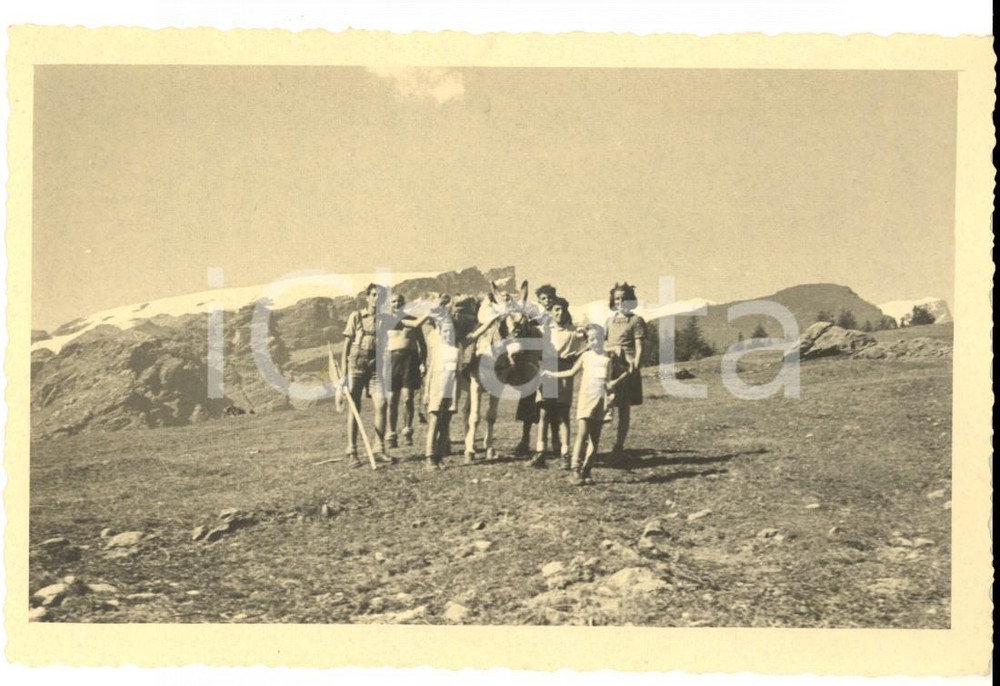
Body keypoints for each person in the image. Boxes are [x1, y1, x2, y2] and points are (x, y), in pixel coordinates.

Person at [541, 324, 629, 485]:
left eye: (597, 338)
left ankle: (587, 471)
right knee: (582, 434)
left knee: (595, 438)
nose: (594, 342)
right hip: (587, 399)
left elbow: (625, 371)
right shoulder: (586, 356)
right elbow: (571, 372)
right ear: (587, 341)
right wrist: (552, 374)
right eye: (591, 339)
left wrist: (614, 383)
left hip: (602, 400)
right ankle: (575, 470)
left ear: (603, 338)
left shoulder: (609, 356)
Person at [340, 283, 394, 468]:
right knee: (354, 407)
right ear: (367, 297)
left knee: (382, 403)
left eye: (380, 296)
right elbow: (346, 346)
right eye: (373, 295)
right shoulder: (356, 316)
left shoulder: (385, 319)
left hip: (375, 366)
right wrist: (344, 374)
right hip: (356, 363)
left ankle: (379, 449)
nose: (376, 299)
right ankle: (352, 451)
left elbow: (406, 322)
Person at [539, 296, 586, 470]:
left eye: (563, 309)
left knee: (562, 413)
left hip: (565, 371)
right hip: (548, 369)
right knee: (544, 412)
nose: (560, 313)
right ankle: (540, 452)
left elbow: (590, 342)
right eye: (556, 310)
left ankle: (565, 454)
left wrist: (577, 357)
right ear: (551, 312)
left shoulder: (574, 331)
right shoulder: (544, 330)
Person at [604, 282, 647, 458]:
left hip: (626, 366)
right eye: (617, 299)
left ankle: (619, 444)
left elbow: (639, 346)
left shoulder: (636, 321)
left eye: (624, 299)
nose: (620, 302)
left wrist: (635, 367)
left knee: (624, 407)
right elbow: (604, 343)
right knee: (605, 404)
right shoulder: (609, 321)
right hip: (610, 366)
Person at [385, 293, 426, 449]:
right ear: (390, 304)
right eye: (394, 301)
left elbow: (422, 344)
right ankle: (391, 434)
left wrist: (423, 363)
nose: (397, 304)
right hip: (392, 361)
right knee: (392, 400)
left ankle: (407, 432)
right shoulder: (387, 321)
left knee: (408, 399)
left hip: (410, 361)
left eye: (400, 301)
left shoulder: (413, 320)